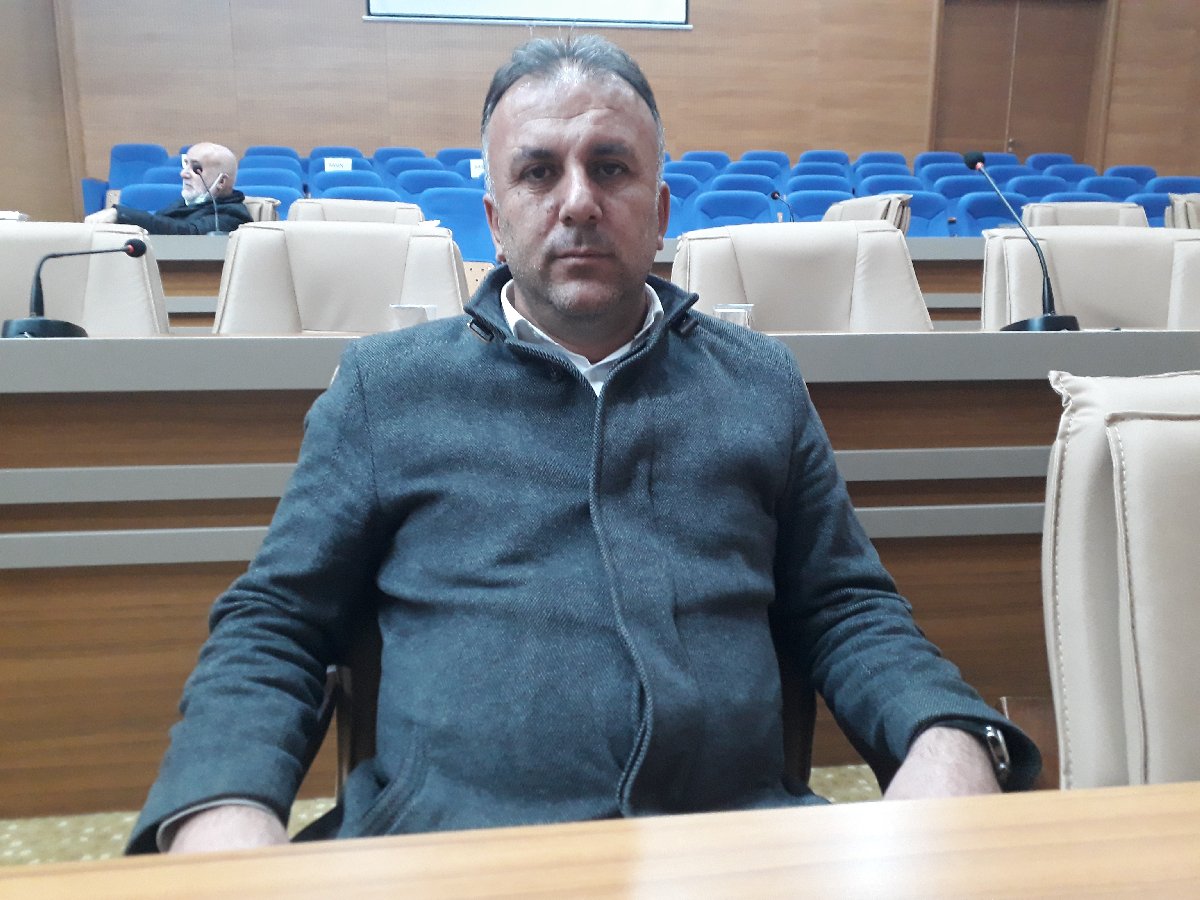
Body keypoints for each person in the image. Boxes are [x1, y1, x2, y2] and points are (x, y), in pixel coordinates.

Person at [128, 35, 1039, 855]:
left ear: (659, 208)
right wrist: (221, 807)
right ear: (494, 218)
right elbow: (277, 624)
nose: (578, 203)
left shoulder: (759, 383)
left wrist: (945, 735)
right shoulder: (386, 389)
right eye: (538, 172)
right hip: (446, 855)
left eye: (611, 168)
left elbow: (846, 608)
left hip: (730, 850)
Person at [85, 142, 252, 235]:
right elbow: (160, 223)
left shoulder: (233, 215)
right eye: (185, 165)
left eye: (196, 168)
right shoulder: (183, 204)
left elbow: (187, 233)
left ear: (221, 181)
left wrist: (120, 214)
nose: (183, 174)